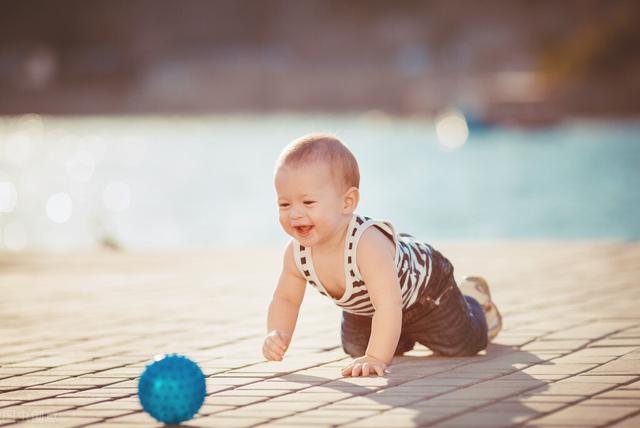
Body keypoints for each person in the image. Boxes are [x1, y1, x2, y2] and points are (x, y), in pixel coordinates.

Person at [263, 133, 502, 377]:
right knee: (356, 349)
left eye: (308, 202)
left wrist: (377, 357)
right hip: (371, 308)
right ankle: (401, 334)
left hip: (427, 293)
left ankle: (474, 302)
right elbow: (286, 300)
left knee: (460, 344)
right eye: (285, 204)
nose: (295, 214)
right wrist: (276, 333)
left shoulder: (366, 245)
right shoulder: (296, 253)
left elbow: (389, 303)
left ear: (347, 203)